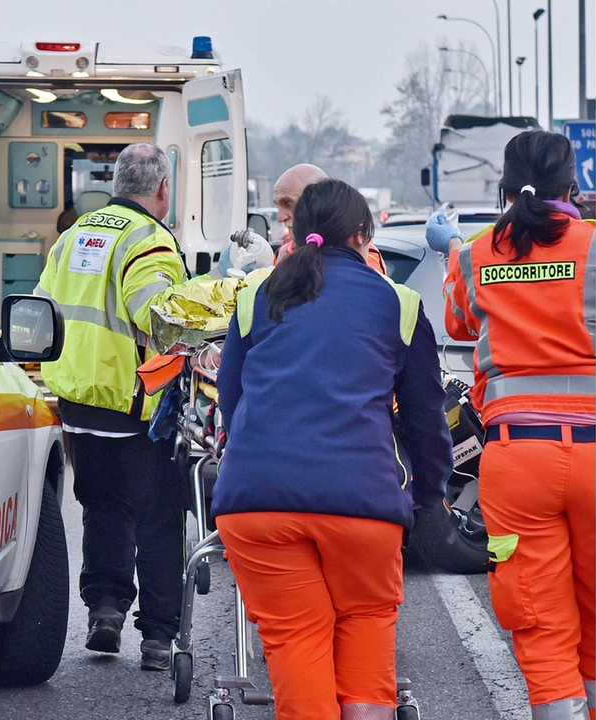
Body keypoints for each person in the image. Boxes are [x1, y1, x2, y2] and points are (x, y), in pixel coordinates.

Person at [212, 179, 452, 719]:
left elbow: (232, 400)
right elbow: (424, 419)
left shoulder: (255, 297)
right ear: (365, 237)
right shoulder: (400, 303)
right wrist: (427, 495)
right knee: (366, 628)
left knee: (296, 645)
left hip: (257, 504)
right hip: (362, 504)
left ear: (294, 233)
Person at [430, 130, 596, 720]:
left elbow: (456, 322)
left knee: (535, 613)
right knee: (594, 608)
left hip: (514, 464)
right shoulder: (595, 247)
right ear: (572, 187)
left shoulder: (477, 254)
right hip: (594, 457)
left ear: (502, 189)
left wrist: (452, 244)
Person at [35, 143, 188, 670]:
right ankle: (158, 636)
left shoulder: (75, 235)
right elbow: (159, 317)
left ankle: (104, 609)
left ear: (117, 182)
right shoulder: (149, 240)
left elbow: (41, 311)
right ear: (162, 189)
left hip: (79, 404)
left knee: (101, 508)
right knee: (160, 517)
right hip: (136, 406)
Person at [272, 164, 388, 274]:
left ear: (320, 201)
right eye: (278, 206)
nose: (280, 217)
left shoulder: (361, 254)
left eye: (288, 204)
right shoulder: (284, 251)